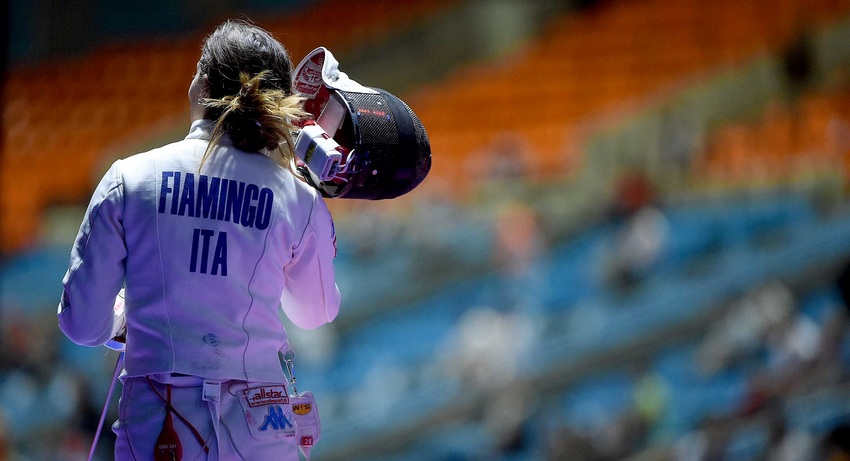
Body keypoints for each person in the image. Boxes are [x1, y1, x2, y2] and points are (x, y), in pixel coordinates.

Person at [57, 19, 341, 460]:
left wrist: (124, 319)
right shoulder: (299, 197)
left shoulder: (129, 178)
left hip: (160, 430)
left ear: (202, 84)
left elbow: (81, 324)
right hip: (263, 430)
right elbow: (314, 312)